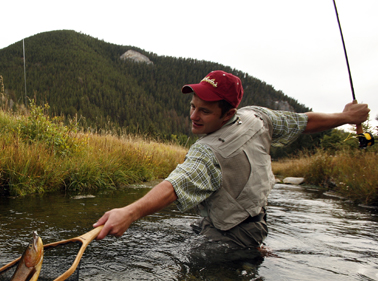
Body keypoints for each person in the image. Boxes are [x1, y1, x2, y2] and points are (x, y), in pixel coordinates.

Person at [93, 70, 370, 258]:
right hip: (254, 221)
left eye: (205, 111)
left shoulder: (208, 151)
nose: (194, 116)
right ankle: (253, 252)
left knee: (195, 265)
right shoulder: (258, 117)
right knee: (191, 238)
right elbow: (304, 121)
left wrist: (129, 213)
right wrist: (345, 116)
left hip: (235, 232)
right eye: (193, 106)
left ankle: (246, 261)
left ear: (228, 114)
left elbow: (175, 185)